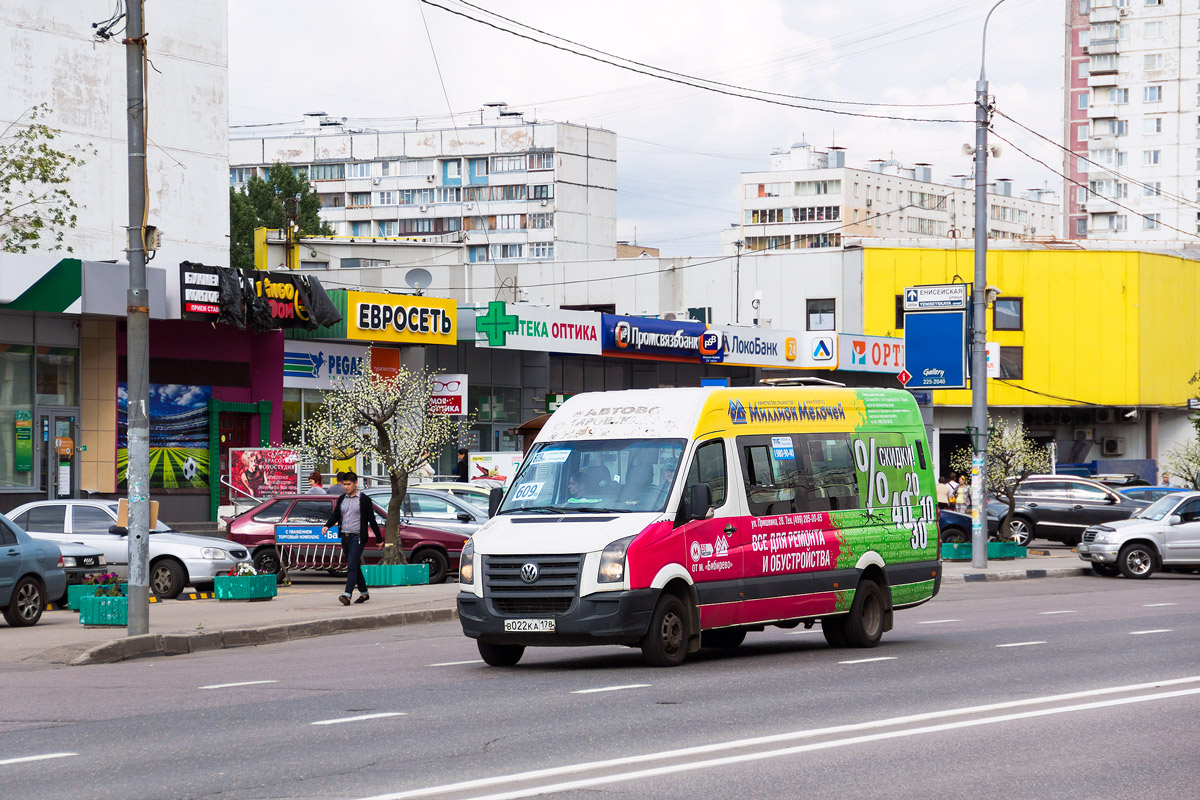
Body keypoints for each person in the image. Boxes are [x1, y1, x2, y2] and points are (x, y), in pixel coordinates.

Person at [322, 470, 381, 606]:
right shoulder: (342, 498)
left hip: (358, 537)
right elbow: (336, 515)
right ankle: (364, 593)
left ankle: (347, 595)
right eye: (344, 484)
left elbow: (372, 520)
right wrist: (327, 526)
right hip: (345, 536)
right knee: (354, 565)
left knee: (351, 565)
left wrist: (378, 539)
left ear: (356, 483)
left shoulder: (364, 499)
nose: (346, 487)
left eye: (348, 484)